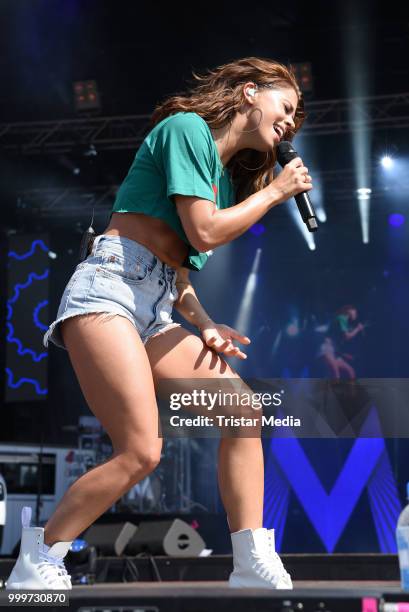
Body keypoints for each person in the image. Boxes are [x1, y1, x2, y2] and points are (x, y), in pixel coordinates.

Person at [6, 56, 311, 590]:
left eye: (295, 118)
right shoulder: (185, 128)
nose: (289, 122)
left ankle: (249, 560)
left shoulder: (220, 179)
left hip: (157, 304)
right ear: (248, 92)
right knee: (143, 450)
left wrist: (208, 325)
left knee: (243, 412)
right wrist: (278, 191)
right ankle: (40, 554)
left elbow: (180, 270)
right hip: (109, 288)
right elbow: (205, 233)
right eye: (285, 107)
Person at [318, 305, 367, 379]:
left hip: (334, 351)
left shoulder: (343, 322)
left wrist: (343, 354)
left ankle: (351, 390)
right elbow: (347, 336)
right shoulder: (342, 318)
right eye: (355, 312)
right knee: (335, 374)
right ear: (349, 310)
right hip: (327, 349)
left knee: (350, 371)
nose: (356, 314)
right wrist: (358, 329)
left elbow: (338, 339)